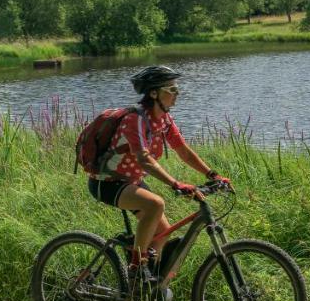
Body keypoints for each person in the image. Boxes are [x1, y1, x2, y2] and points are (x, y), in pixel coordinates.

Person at [85, 65, 228, 287]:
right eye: (171, 89)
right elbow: (143, 158)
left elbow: (183, 151)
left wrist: (213, 174)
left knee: (162, 232)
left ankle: (142, 291)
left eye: (177, 88)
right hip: (107, 181)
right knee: (155, 204)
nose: (177, 93)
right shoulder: (136, 119)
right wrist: (175, 183)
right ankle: (136, 268)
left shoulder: (164, 120)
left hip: (129, 181)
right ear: (154, 93)